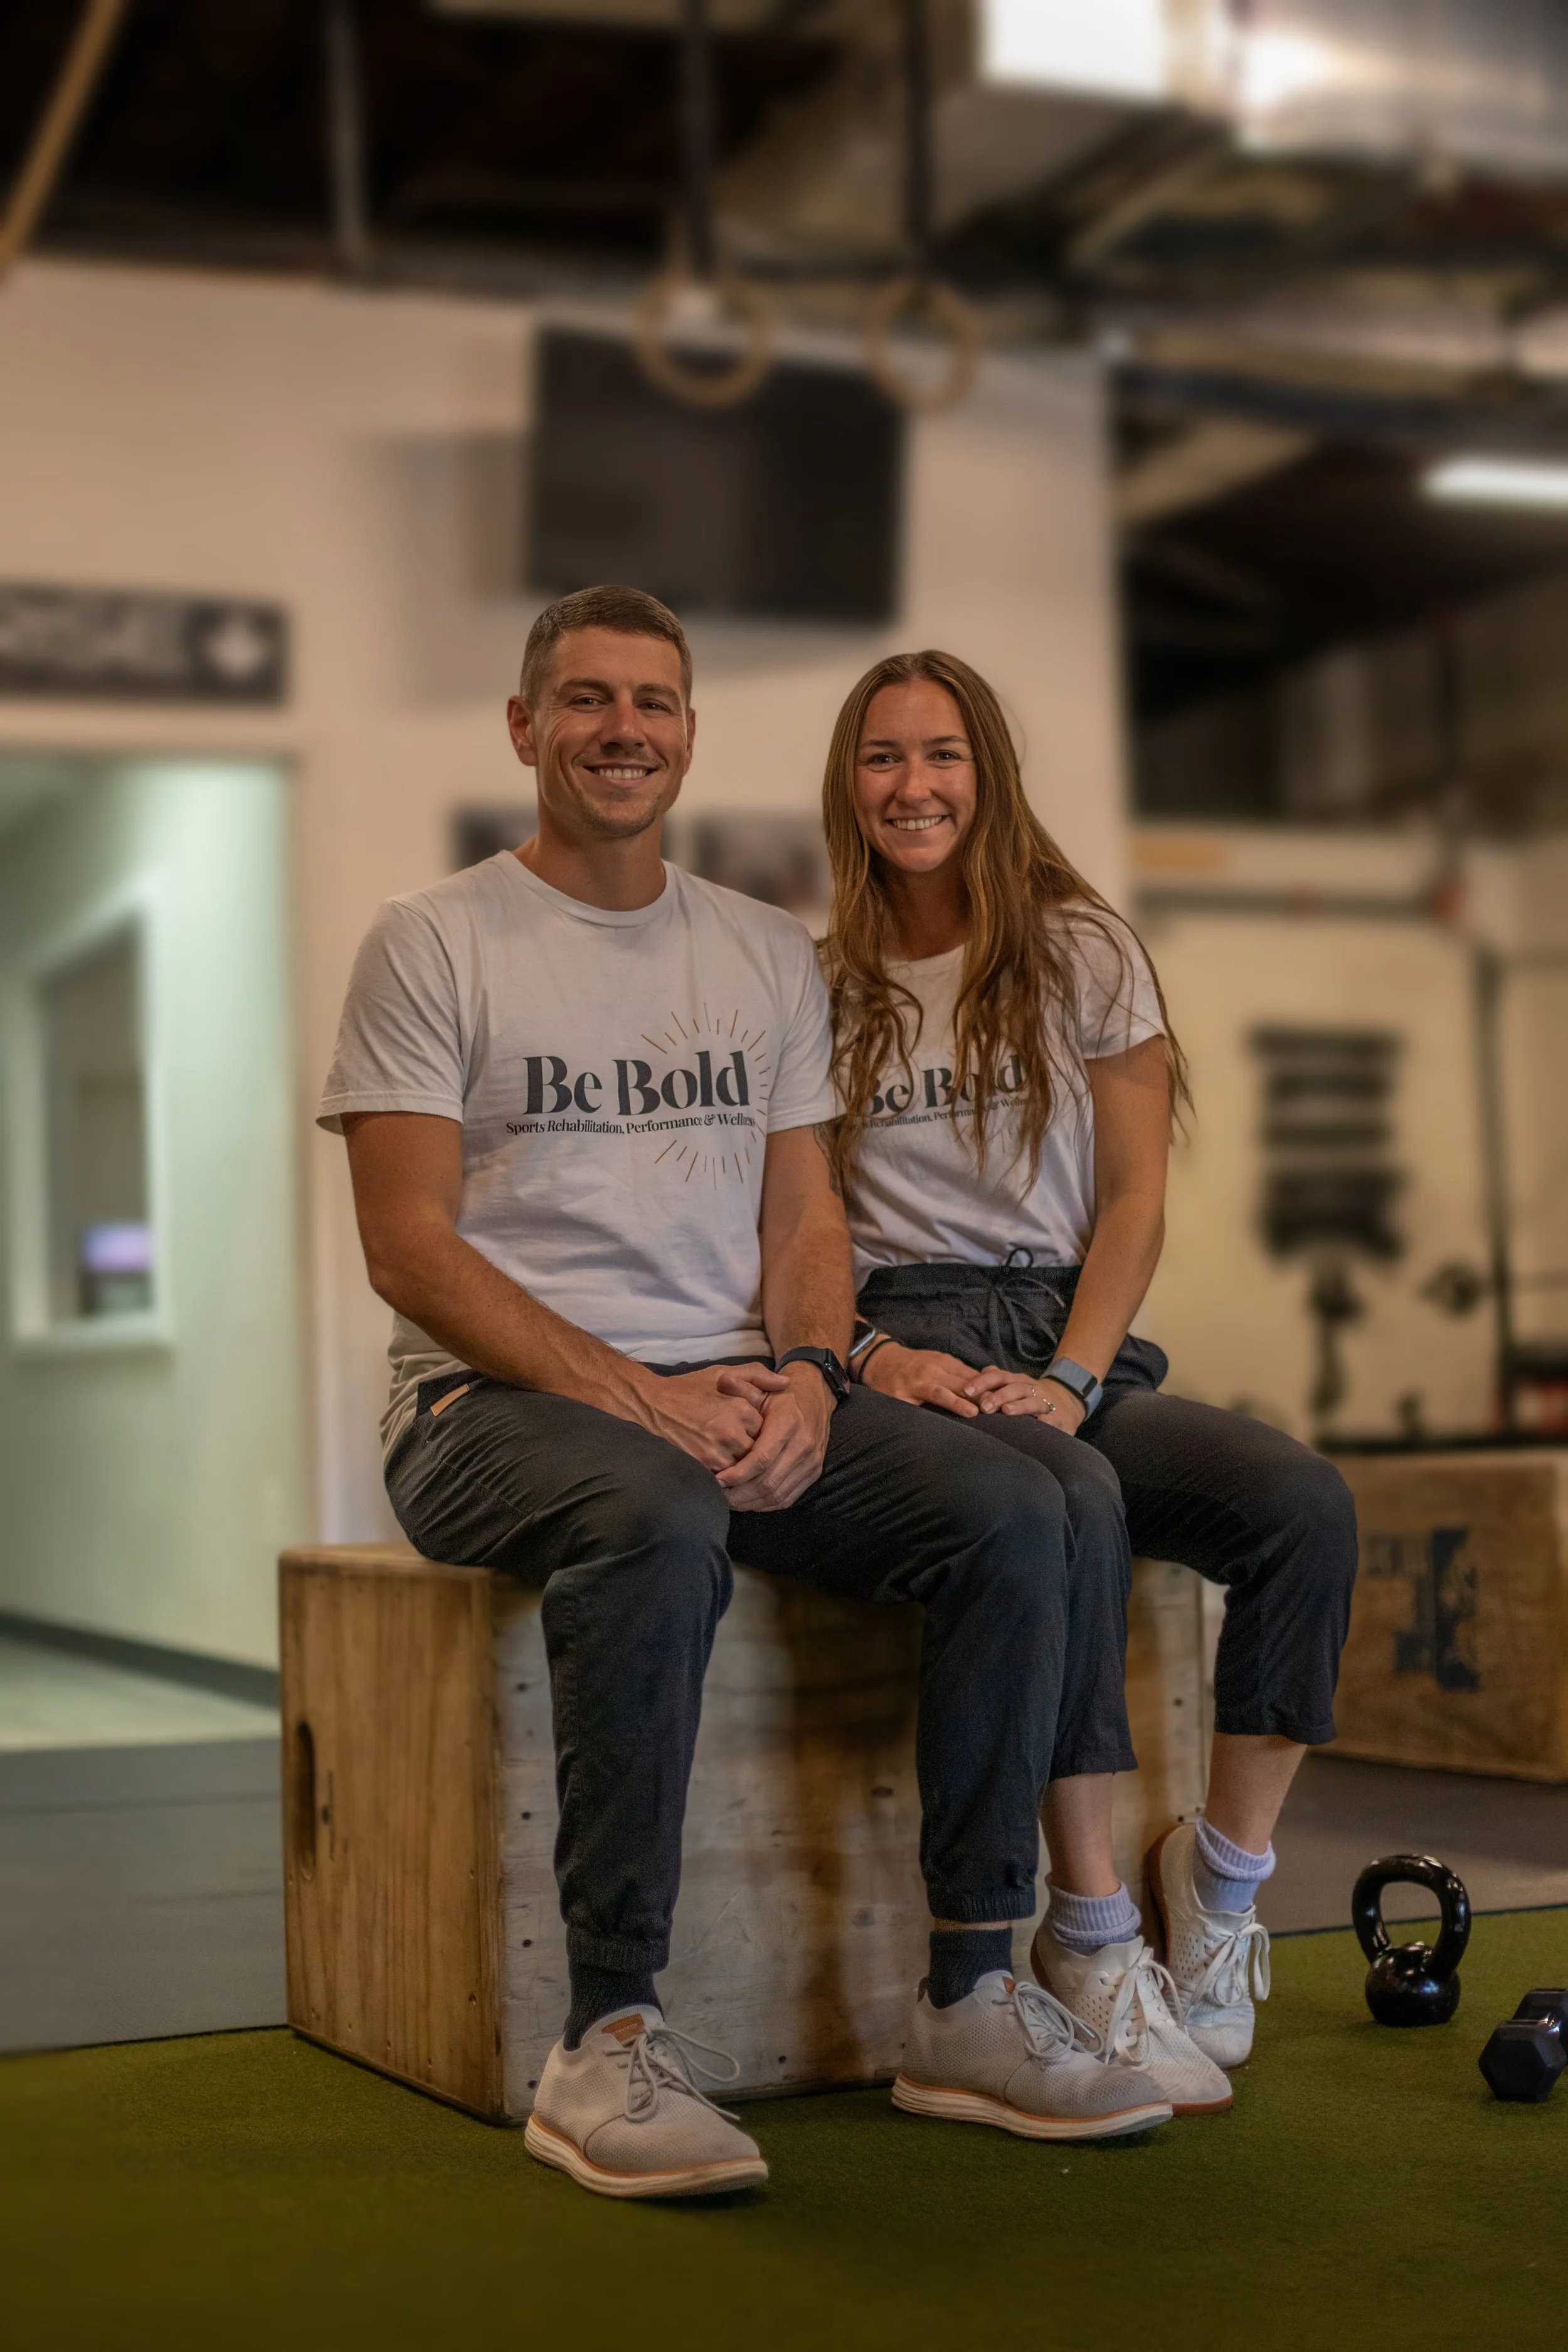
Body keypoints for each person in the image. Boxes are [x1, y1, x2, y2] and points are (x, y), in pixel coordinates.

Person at [318, 586, 1172, 2202]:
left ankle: (970, 1994)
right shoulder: (432, 941)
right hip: (482, 1413)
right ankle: (607, 2037)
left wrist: (799, 1369)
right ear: (524, 730)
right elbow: (409, 1252)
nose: (620, 729)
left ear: (690, 737)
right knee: (653, 1512)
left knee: (1009, 1505)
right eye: (583, 700)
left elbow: (804, 1218)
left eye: (651, 702)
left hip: (734, 1391)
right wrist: (651, 1401)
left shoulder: (759, 949)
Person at [820, 647, 1359, 2109]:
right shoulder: (818, 983)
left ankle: (1220, 1888)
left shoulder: (1080, 948)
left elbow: (1131, 1205)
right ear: (846, 785)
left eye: (940, 756)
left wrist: (1067, 1373)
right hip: (906, 1340)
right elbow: (796, 1234)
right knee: (1068, 1509)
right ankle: (1089, 1929)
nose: (911, 785)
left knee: (1297, 1504)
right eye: (881, 758)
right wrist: (881, 1361)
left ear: (985, 775)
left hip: (1070, 1334)